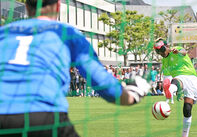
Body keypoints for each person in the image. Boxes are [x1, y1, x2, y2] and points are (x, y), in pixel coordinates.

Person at [0, 0, 150, 137]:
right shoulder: (66, 33)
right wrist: (131, 96)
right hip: (44, 116)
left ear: (26, 6)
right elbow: (100, 80)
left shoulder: (4, 32)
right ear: (58, 6)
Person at [154, 38, 197, 137]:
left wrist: (178, 51)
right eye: (158, 51)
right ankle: (184, 136)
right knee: (175, 82)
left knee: (188, 108)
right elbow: (167, 78)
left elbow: (183, 52)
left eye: (162, 50)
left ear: (167, 47)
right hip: (179, 80)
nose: (160, 53)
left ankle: (172, 89)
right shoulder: (164, 61)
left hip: (191, 78)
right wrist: (174, 91)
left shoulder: (176, 49)